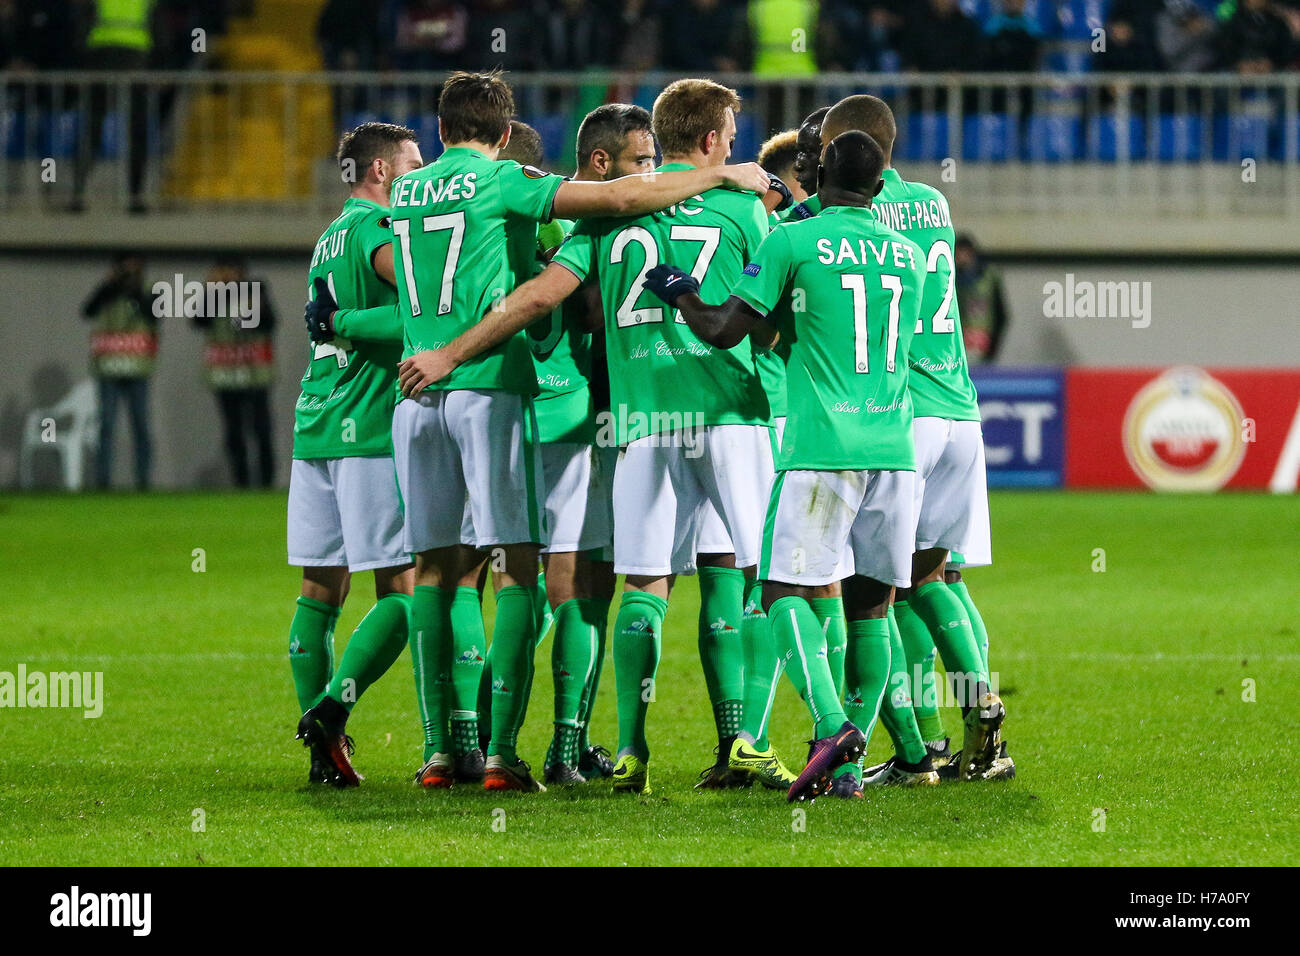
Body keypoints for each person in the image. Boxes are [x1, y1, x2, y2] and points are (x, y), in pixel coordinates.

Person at [389, 70, 771, 793]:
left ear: (440, 131)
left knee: (443, 576)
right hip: (529, 398)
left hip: (426, 391)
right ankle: (522, 750)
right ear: (504, 139)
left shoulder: (407, 191)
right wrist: (728, 179)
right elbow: (621, 204)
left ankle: (451, 747)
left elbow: (544, 284)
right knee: (543, 575)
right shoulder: (524, 188)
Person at [641, 130, 928, 803]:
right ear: (881, 186)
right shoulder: (909, 255)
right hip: (895, 450)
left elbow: (723, 330)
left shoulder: (792, 241)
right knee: (870, 610)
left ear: (818, 170)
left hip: (824, 450)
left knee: (779, 593)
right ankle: (851, 769)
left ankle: (831, 728)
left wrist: (680, 291)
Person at [819, 95, 1010, 791]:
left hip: (899, 414)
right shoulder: (931, 203)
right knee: (937, 576)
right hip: (961, 406)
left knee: (876, 592)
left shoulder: (846, 216)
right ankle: (978, 709)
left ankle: (907, 745)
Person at [290, 122, 424, 787]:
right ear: (380, 171)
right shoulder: (378, 232)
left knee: (319, 594)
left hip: (313, 424)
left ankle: (323, 753)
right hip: (366, 429)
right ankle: (330, 710)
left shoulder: (327, 236)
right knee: (403, 594)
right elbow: (420, 309)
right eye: (414, 165)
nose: (421, 176)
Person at [194, 256, 276, 489]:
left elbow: (269, 322)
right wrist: (212, 292)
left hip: (255, 373)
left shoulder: (256, 290)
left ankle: (265, 482)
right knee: (233, 431)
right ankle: (241, 482)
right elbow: (199, 321)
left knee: (261, 428)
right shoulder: (214, 296)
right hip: (225, 374)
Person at [82, 252, 158, 490]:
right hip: (109, 368)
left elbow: (156, 315)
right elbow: (88, 310)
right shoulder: (107, 290)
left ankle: (143, 480)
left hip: (137, 367)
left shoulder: (150, 290)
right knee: (106, 425)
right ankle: (103, 481)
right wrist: (109, 285)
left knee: (141, 426)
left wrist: (136, 291)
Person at [955, 234, 1008, 364]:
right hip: (957, 343)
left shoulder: (989, 276)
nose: (960, 258)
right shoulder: (950, 277)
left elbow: (1001, 315)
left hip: (981, 341)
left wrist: (991, 351)